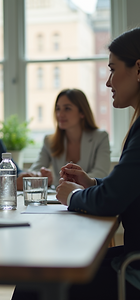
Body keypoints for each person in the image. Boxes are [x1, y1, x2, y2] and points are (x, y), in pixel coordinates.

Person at [13, 27, 140, 300]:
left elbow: (112, 199)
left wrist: (73, 195)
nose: (107, 82)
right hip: (132, 255)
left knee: (33, 283)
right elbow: (125, 187)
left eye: (112, 69)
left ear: (138, 69)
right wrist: (92, 183)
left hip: (135, 265)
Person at [29, 88, 111, 186]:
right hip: (59, 198)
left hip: (88, 197)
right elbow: (34, 171)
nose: (60, 114)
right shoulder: (49, 141)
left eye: (67, 108)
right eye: (58, 109)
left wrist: (74, 183)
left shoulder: (100, 137)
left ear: (82, 113)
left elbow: (101, 174)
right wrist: (42, 176)